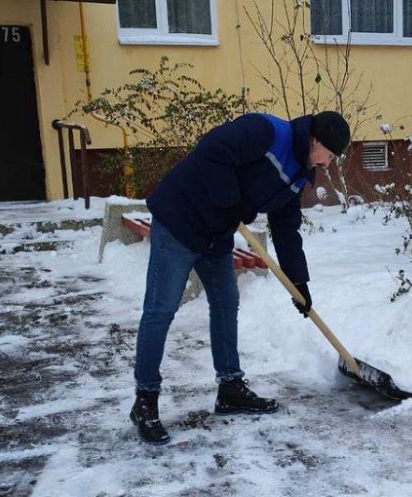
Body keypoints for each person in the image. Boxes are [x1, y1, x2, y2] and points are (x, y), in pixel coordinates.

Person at [129, 110, 351, 444]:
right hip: (180, 220)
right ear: (315, 140)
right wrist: (230, 201)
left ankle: (230, 388)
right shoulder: (266, 132)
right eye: (330, 155)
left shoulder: (300, 173)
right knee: (161, 309)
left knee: (225, 303)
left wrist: (298, 283)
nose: (329, 164)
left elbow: (287, 228)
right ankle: (145, 400)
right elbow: (212, 150)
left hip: (216, 232)